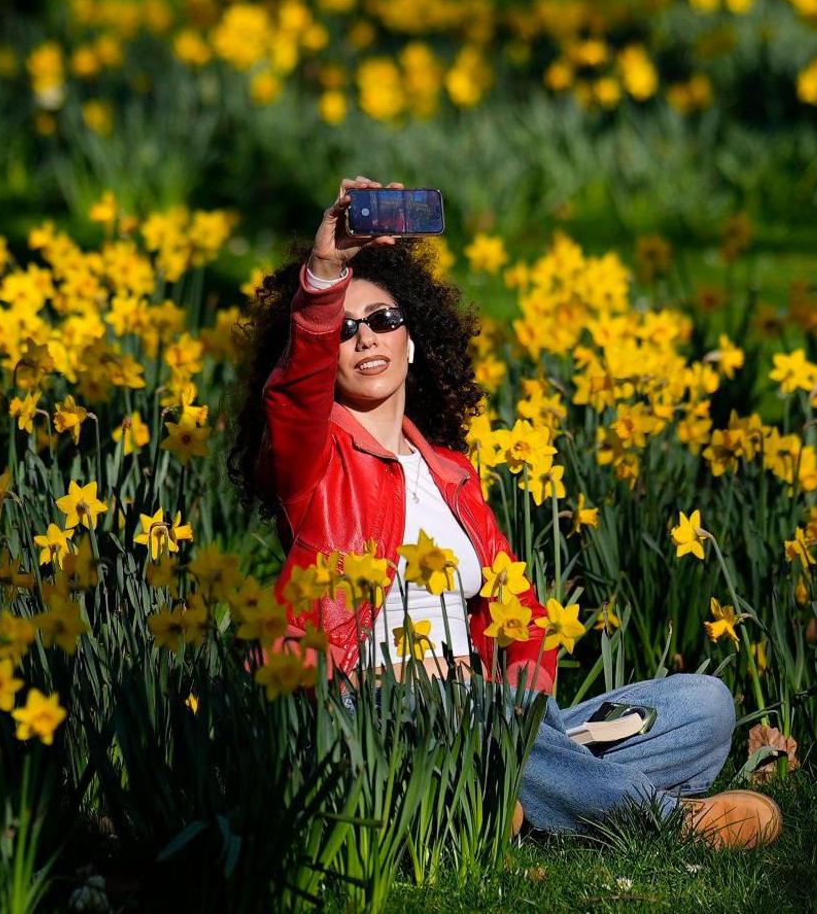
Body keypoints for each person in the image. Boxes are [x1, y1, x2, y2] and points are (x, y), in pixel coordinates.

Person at [226, 176, 782, 848]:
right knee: (454, 705)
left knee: (703, 706)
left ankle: (498, 796)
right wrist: (324, 272)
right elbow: (293, 399)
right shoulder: (312, 464)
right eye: (344, 329)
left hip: (488, 713)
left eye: (383, 320)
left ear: (413, 338)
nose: (365, 338)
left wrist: (519, 708)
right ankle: (667, 820)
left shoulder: (452, 475)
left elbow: (518, 616)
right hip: (374, 715)